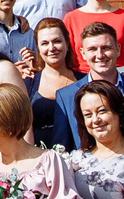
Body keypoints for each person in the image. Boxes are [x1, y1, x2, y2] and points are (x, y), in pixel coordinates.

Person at [52, 22, 124, 149]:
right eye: (92, 49)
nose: (100, 55)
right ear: (83, 53)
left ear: (118, 50)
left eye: (106, 48)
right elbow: (61, 148)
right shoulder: (66, 96)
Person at [27, 17, 83, 151]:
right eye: (45, 43)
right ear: (38, 48)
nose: (51, 48)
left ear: (67, 44)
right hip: (41, 158)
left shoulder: (84, 81)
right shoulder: (29, 83)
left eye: (57, 41)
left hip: (80, 156)